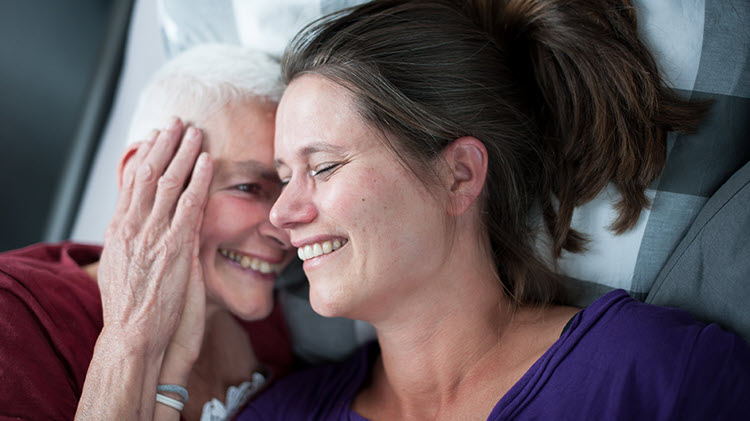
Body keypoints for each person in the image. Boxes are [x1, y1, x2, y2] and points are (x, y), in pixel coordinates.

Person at [230, 0, 750, 419]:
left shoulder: (652, 377)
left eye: (322, 168)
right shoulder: (279, 412)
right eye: (281, 179)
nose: (280, 213)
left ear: (459, 175)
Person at [0, 44, 295, 420]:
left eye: (291, 188)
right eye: (250, 187)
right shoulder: (15, 319)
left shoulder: (275, 317)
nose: (285, 231)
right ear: (143, 174)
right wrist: (131, 342)